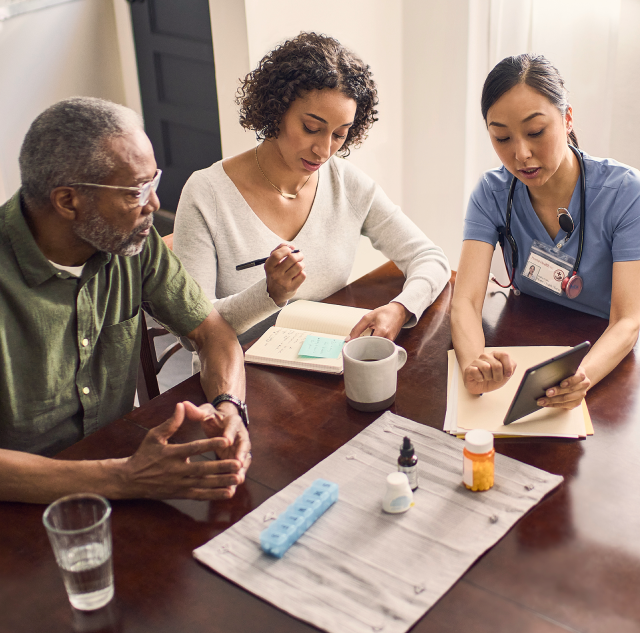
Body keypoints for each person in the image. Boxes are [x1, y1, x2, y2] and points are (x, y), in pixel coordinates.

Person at [0, 97, 251, 503]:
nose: (153, 204)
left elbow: (214, 333)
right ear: (67, 201)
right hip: (23, 507)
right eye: (137, 191)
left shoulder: (132, 241)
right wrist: (123, 478)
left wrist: (230, 407)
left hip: (120, 472)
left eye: (153, 182)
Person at [173, 32, 450, 357]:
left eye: (340, 134)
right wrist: (269, 293)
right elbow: (192, 332)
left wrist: (400, 308)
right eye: (311, 127)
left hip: (322, 369)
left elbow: (430, 258)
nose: (324, 150)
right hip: (234, 380)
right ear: (276, 109)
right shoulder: (207, 194)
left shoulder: (348, 186)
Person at [452, 54, 640, 409]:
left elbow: (628, 320)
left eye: (536, 132)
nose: (520, 153)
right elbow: (465, 300)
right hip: (527, 336)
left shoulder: (626, 193)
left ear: (567, 118)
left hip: (600, 350)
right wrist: (474, 362)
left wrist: (582, 377)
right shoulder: (492, 192)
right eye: (501, 138)